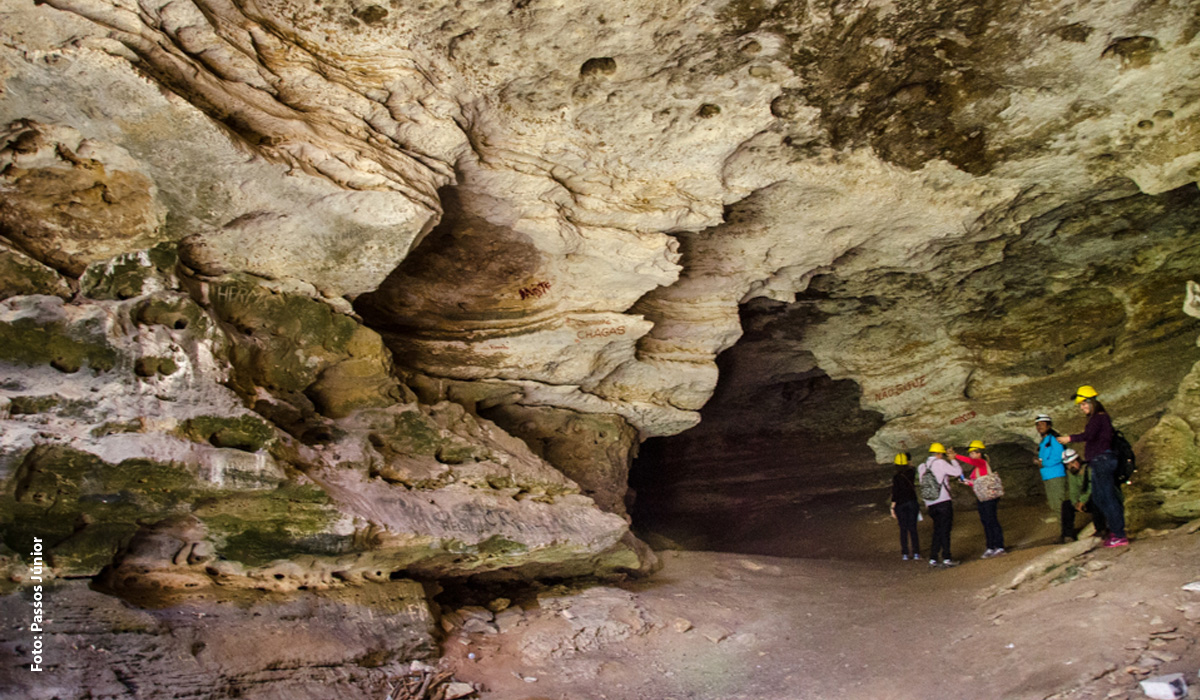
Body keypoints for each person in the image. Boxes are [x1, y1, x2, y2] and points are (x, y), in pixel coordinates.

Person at [1057, 385, 1128, 547]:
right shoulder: (1097, 418)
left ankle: (1119, 534)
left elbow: (1089, 435)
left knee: (1108, 498)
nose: (1082, 408)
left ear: (1091, 401)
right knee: (1099, 498)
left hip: (1103, 460)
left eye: (1084, 404)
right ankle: (1114, 531)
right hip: (1097, 462)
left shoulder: (1099, 417)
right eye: (1081, 405)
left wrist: (1070, 439)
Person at [956, 440, 1005, 558]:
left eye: (972, 453)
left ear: (979, 453)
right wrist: (967, 482)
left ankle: (999, 546)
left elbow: (971, 461)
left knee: (991, 520)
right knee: (985, 521)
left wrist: (956, 456)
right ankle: (990, 546)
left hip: (989, 497)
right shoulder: (976, 469)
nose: (970, 455)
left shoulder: (982, 463)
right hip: (982, 497)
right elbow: (977, 483)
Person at [918, 442, 964, 567]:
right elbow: (957, 472)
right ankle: (947, 557)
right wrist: (953, 460)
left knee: (937, 529)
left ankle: (933, 558)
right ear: (939, 454)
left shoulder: (922, 466)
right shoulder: (940, 463)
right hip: (943, 501)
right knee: (945, 530)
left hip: (930, 503)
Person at [1034, 414, 1075, 543]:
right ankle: (1063, 532)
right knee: (1054, 505)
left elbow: (1058, 457)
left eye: (1042, 424)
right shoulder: (1044, 442)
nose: (1039, 427)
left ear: (1049, 425)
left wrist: (1043, 463)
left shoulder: (1055, 440)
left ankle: (1068, 533)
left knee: (1060, 505)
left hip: (1057, 475)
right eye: (1037, 425)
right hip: (1048, 476)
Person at [889, 452, 921, 561]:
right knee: (913, 528)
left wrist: (892, 507)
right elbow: (912, 466)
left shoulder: (896, 477)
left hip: (900, 504)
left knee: (903, 529)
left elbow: (895, 493)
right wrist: (908, 459)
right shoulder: (911, 473)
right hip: (912, 502)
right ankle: (916, 553)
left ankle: (905, 554)